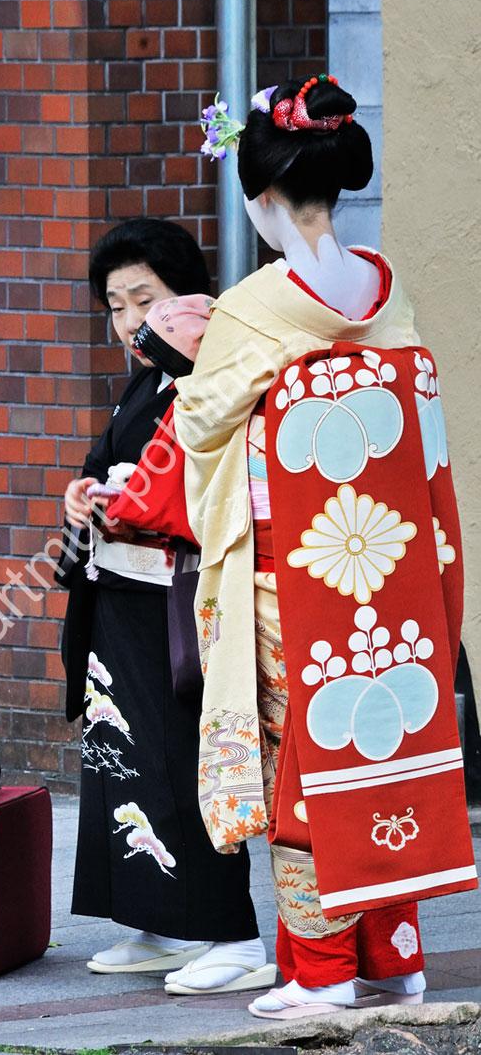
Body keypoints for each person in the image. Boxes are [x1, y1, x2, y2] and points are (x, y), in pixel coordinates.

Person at [171, 76, 476, 1018]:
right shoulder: (384, 290)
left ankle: (322, 971)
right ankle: (396, 958)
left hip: (288, 583)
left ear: (262, 200)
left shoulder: (256, 307)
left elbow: (198, 426)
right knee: (380, 741)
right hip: (381, 572)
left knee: (302, 763)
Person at [60, 218, 275, 995]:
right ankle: (157, 923)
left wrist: (130, 504)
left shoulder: (209, 371)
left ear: (184, 291)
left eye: (141, 298)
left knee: (185, 760)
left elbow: (212, 490)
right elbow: (104, 464)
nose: (126, 321)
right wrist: (83, 494)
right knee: (125, 762)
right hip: (119, 597)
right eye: (114, 305)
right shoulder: (146, 375)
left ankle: (232, 933)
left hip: (174, 600)